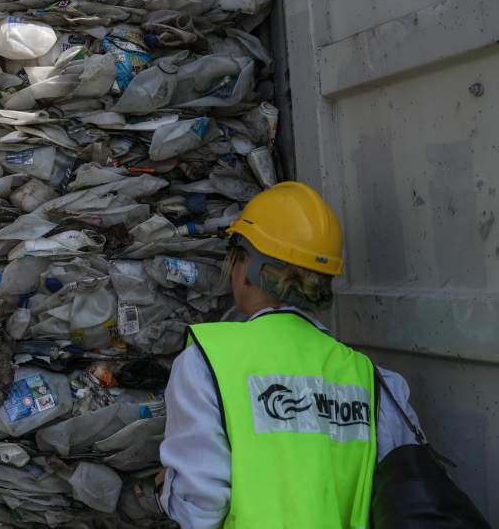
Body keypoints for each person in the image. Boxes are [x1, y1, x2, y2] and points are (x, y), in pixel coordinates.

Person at [158, 181, 422, 529]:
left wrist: (165, 488)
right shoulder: (375, 381)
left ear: (249, 269)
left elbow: (199, 508)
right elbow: (405, 496)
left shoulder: (207, 363)